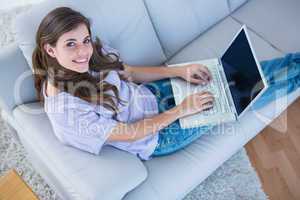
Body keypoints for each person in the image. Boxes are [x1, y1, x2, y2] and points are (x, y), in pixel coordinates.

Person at [32, 7, 300, 161]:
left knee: (234, 72)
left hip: (151, 95)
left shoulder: (88, 55)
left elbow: (129, 73)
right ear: (50, 49)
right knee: (240, 96)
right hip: (157, 136)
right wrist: (183, 109)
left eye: (85, 40)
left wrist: (178, 71)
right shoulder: (66, 112)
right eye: (71, 44)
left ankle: (294, 61)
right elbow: (131, 133)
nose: (83, 51)